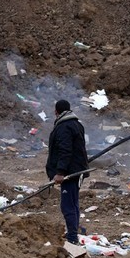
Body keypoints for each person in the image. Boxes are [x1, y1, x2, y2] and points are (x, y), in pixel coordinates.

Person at [46, 100, 89, 244]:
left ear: (56, 112)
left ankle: (72, 238)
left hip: (69, 173)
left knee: (67, 206)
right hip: (77, 171)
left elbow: (65, 151)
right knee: (73, 203)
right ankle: (73, 232)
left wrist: (60, 172)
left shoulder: (64, 127)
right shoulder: (77, 124)